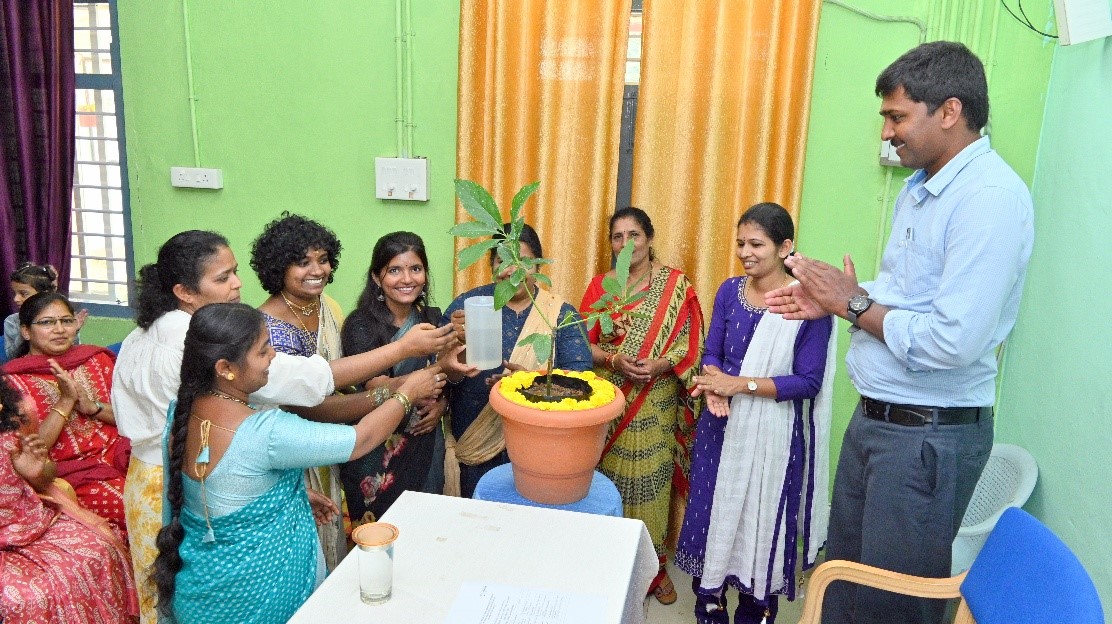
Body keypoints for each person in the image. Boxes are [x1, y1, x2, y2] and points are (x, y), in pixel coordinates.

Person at [766, 42, 1034, 624]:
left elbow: (952, 341)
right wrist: (835, 304)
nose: (887, 133)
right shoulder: (921, 189)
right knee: (842, 585)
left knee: (890, 608)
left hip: (924, 440)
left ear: (949, 111)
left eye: (896, 117)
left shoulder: (987, 199)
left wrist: (854, 302)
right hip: (881, 424)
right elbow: (904, 302)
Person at [113, 230, 457, 623]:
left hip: (204, 516)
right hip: (246, 569)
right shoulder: (258, 419)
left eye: (235, 272)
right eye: (223, 277)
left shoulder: (183, 396)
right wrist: (404, 388)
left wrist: (284, 494)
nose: (236, 283)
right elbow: (353, 433)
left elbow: (226, 473)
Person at [152, 303, 445, 624]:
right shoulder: (265, 432)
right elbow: (360, 440)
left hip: (202, 594)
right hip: (258, 600)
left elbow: (217, 488)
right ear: (225, 368)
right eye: (263, 351)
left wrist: (279, 494)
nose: (274, 357)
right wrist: (406, 394)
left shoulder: (182, 409)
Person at [673, 203, 836, 624]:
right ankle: (710, 607)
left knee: (759, 528)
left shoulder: (807, 304)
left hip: (775, 438)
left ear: (785, 247)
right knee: (715, 518)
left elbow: (808, 382)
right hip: (720, 427)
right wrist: (713, 385)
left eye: (756, 244)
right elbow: (713, 352)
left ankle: (754, 609)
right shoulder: (729, 291)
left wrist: (738, 385)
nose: (746, 252)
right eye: (741, 243)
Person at [579, 207, 704, 605]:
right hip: (613, 400)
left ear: (649, 238)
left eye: (634, 235)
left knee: (653, 486)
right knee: (609, 482)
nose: (626, 244)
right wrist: (615, 361)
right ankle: (608, 562)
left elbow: (692, 345)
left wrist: (662, 363)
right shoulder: (601, 287)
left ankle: (653, 570)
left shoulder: (676, 287)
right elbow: (581, 343)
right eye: (618, 237)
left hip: (657, 400)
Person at [442, 223, 591, 498]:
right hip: (474, 445)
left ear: (538, 265)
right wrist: (454, 350)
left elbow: (580, 381)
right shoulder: (468, 306)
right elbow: (439, 376)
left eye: (522, 261)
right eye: (502, 261)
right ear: (492, 266)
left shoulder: (559, 313)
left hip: (538, 450)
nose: (512, 270)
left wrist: (529, 383)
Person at [250, 212, 348, 569]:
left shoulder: (328, 307)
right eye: (302, 262)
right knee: (305, 551)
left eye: (323, 260)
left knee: (334, 538)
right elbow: (301, 406)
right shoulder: (263, 326)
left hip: (331, 444)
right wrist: (390, 396)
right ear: (278, 268)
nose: (316, 270)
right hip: (290, 454)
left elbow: (340, 373)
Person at [0, 374, 138, 623]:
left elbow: (47, 475)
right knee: (29, 596)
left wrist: (37, 472)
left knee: (102, 549)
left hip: (34, 521)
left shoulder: (11, 415)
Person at [340, 231, 448, 523]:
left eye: (415, 268)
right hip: (378, 445)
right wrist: (425, 379)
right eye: (395, 270)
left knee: (425, 525)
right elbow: (376, 388)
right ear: (377, 278)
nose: (407, 279)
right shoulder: (360, 325)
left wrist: (442, 406)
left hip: (425, 441)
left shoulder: (433, 319)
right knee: (381, 532)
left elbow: (446, 380)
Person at [3, 292, 130, 536]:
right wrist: (64, 402)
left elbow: (133, 419)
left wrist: (92, 407)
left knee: (176, 493)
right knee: (135, 506)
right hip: (71, 474)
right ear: (26, 332)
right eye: (48, 322)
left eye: (66, 321)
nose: (60, 329)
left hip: (123, 454)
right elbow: (30, 454)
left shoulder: (97, 359)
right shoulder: (11, 384)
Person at [4, 262, 86, 362]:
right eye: (15, 293)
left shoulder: (64, 319)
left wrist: (74, 331)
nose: (16, 299)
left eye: (23, 293)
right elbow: (12, 357)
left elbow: (73, 353)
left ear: (43, 294)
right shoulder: (12, 321)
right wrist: (25, 327)